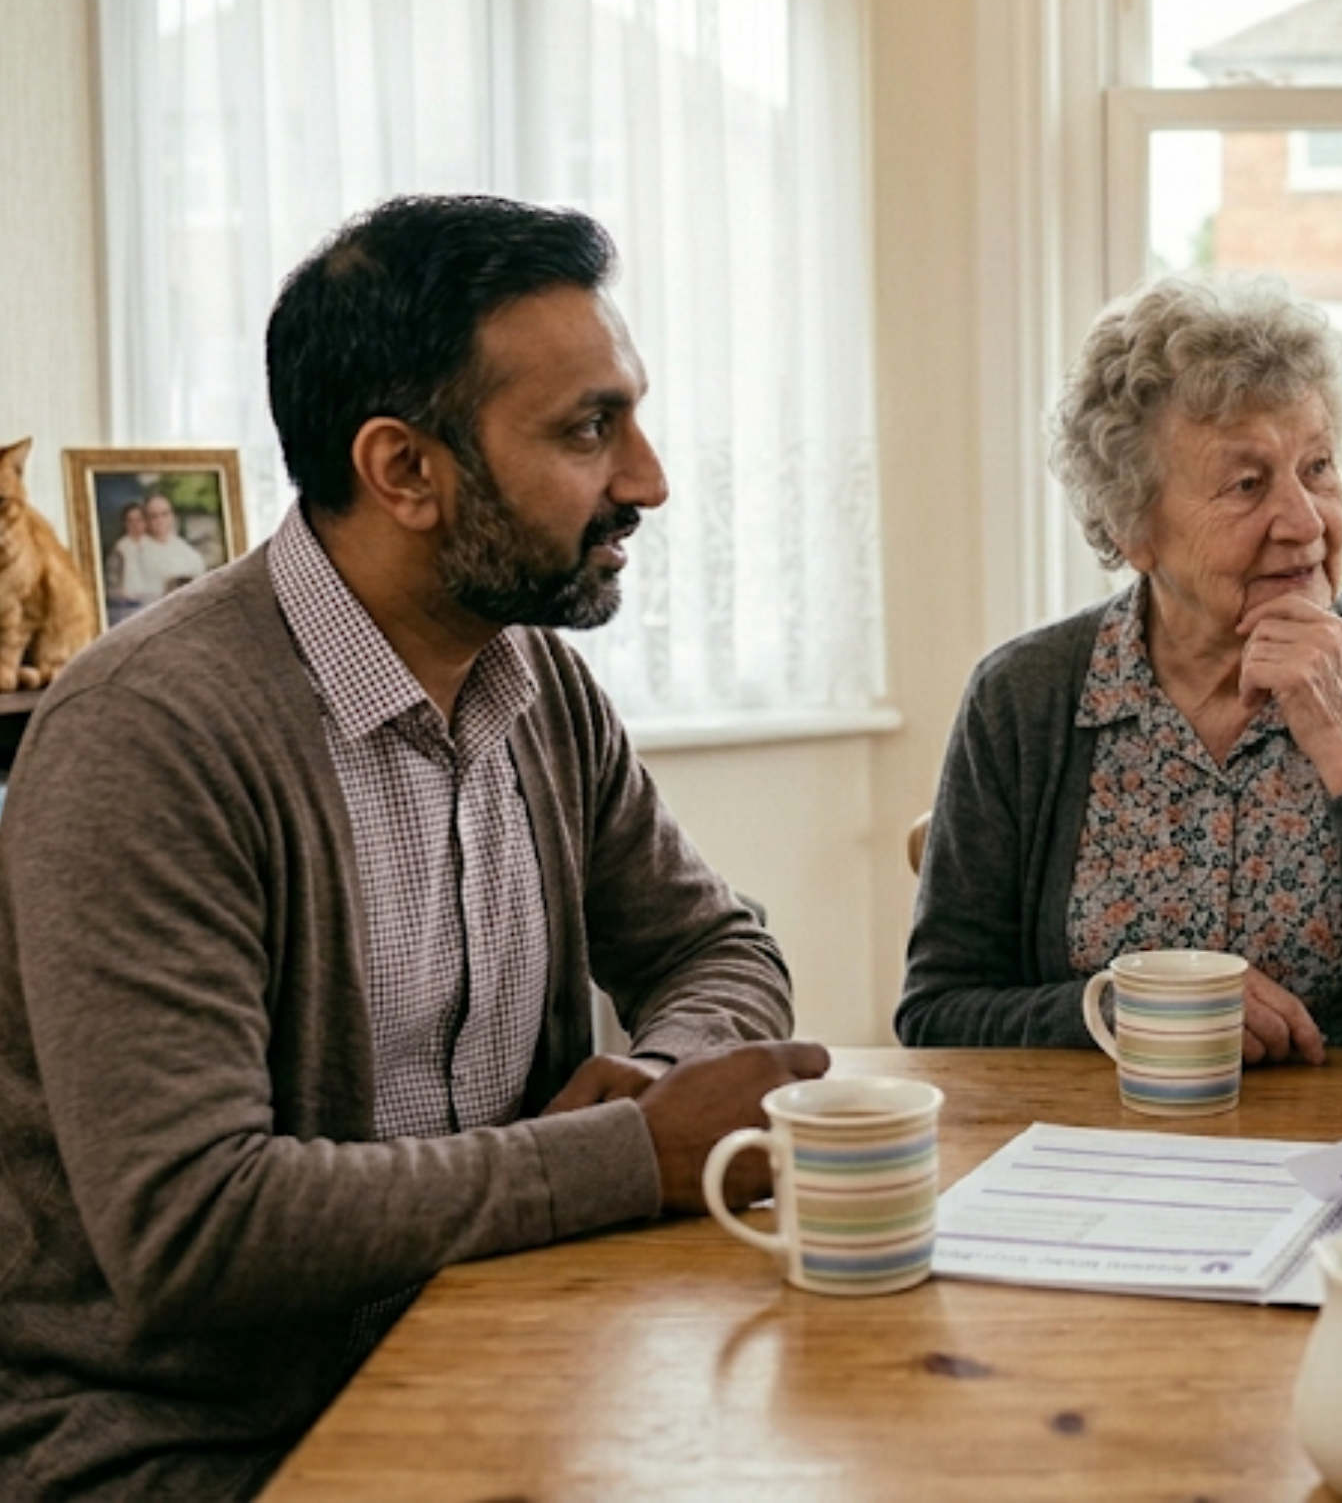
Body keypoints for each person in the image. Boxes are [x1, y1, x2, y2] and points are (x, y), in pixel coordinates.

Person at [0, 195, 827, 1500]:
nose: (648, 479)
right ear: (403, 471)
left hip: (502, 1351)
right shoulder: (147, 736)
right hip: (196, 1444)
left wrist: (663, 1082)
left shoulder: (536, 687)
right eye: (589, 429)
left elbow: (715, 944)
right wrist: (629, 1157)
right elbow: (193, 1223)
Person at [896, 273, 1342, 1062]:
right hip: (1100, 1157)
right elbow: (937, 1013)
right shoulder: (1022, 699)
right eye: (1246, 484)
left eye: (1319, 468)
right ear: (1134, 528)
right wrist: (1121, 1010)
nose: (1303, 522)